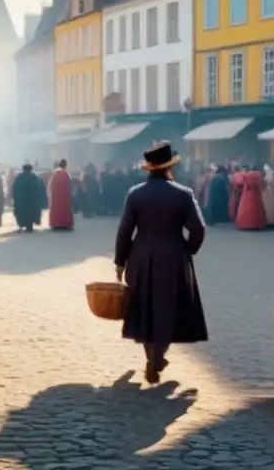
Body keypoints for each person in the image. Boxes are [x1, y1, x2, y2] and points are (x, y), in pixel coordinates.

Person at [113, 142, 208, 384]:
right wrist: (187, 250)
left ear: (149, 168)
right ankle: (158, 356)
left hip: (141, 257)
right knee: (167, 309)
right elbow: (198, 229)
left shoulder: (135, 194)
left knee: (144, 308)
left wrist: (120, 261)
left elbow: (124, 231)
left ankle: (151, 355)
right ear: (169, 167)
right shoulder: (183, 194)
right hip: (173, 257)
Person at [11, 163, 46, 232]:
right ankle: (29, 226)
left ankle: (22, 224)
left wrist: (15, 199)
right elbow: (40, 189)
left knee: (22, 214)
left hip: (22, 202)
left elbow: (14, 189)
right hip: (32, 202)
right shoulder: (35, 178)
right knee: (31, 214)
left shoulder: (19, 178)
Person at [236, 166, 266, 231]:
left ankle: (245, 224)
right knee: (255, 208)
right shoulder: (257, 175)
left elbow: (240, 183)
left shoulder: (246, 174)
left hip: (246, 193)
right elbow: (262, 184)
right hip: (255, 193)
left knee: (245, 208)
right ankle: (255, 224)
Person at [47, 159, 75, 230]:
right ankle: (65, 223)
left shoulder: (54, 174)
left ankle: (56, 223)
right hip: (65, 197)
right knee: (64, 209)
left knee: (56, 209)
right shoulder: (66, 174)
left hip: (56, 197)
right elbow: (70, 186)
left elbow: (50, 186)